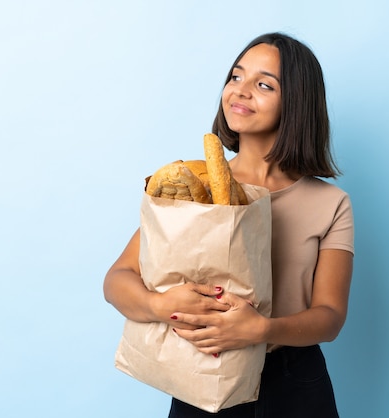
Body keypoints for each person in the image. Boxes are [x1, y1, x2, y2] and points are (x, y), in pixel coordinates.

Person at [103, 32, 354, 418]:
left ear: (298, 103)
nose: (241, 91)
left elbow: (330, 316)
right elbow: (116, 279)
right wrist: (160, 305)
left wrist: (261, 330)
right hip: (204, 376)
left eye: (264, 84)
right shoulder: (195, 184)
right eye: (235, 77)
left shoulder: (330, 203)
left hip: (295, 384)